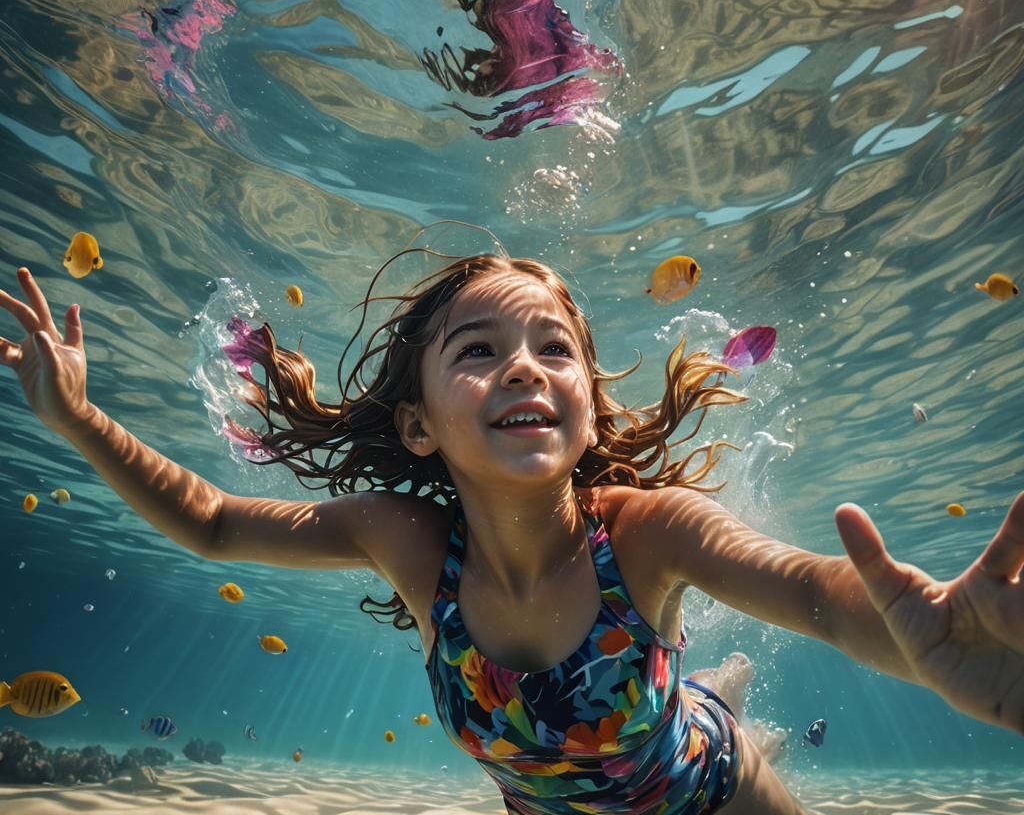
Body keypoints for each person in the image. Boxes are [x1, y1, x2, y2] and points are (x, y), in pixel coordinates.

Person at [1, 255, 1021, 815]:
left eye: (553, 348)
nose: (525, 367)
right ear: (417, 423)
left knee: (704, 725)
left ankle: (718, 705)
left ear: (584, 402)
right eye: (480, 350)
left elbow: (808, 589)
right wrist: (79, 419)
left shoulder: (648, 534)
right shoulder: (407, 543)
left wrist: (920, 638)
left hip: (709, 800)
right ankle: (709, 687)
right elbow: (218, 523)